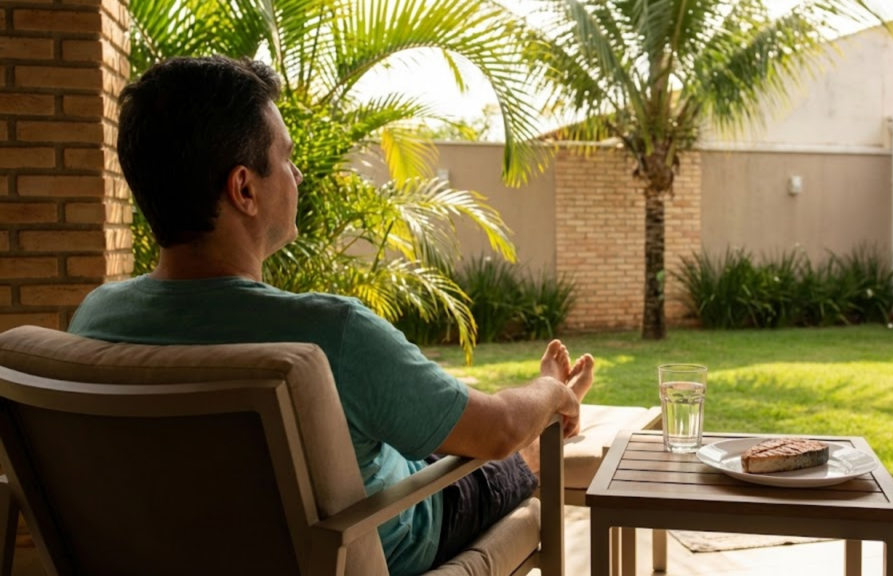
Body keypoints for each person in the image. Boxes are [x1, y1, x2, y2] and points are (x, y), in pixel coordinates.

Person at [67, 55, 594, 575]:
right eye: (287, 157)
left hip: (184, 549)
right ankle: (542, 427)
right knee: (512, 453)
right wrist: (552, 394)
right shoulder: (328, 336)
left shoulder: (94, 321)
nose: (296, 174)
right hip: (386, 537)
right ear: (245, 189)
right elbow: (497, 430)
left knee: (432, 445)